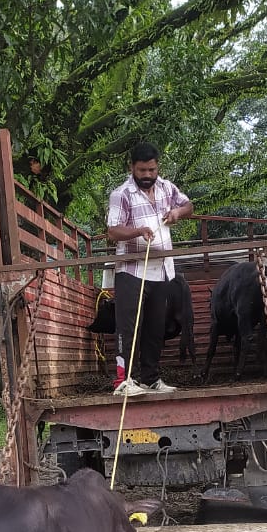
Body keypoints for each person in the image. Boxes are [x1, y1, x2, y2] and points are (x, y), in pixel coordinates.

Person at [107, 141, 193, 396]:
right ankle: (124, 382)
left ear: (158, 168)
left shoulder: (167, 188)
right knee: (129, 326)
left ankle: (150, 379)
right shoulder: (120, 194)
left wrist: (178, 212)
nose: (147, 176)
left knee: (156, 327)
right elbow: (112, 231)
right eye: (142, 170)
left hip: (162, 269)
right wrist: (137, 231)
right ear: (132, 167)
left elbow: (189, 206)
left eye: (151, 170)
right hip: (131, 270)